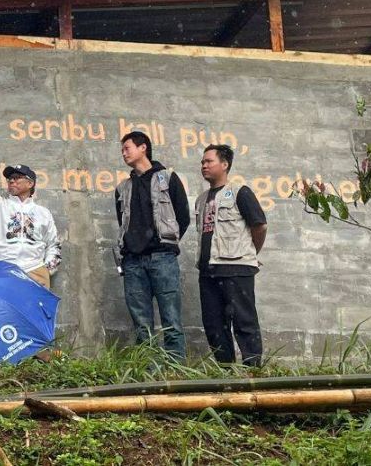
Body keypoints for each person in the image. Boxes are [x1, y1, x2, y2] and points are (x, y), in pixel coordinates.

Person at [114, 131, 190, 361]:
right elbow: (122, 221)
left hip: (162, 258)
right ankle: (148, 371)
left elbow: (182, 217)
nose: (124, 153)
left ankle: (176, 370)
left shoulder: (168, 178)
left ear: (143, 147)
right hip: (132, 262)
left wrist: (164, 243)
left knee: (171, 319)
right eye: (122, 150)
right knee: (141, 324)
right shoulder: (122, 188)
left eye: (127, 148)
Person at [196, 144, 267, 367]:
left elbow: (260, 226)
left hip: (237, 268)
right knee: (214, 324)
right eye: (202, 162)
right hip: (208, 270)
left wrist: (249, 252)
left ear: (225, 164)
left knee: (244, 321)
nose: (204, 165)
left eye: (209, 161)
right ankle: (225, 370)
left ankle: (252, 371)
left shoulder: (240, 192)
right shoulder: (201, 199)